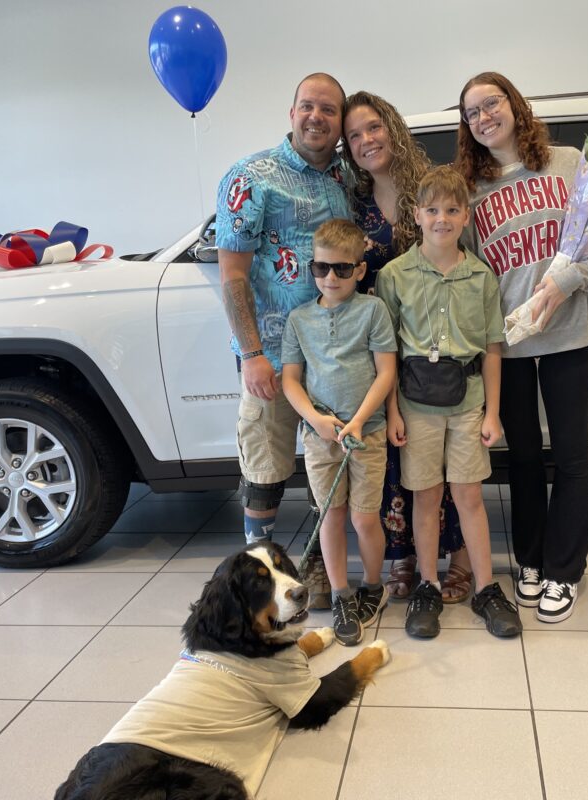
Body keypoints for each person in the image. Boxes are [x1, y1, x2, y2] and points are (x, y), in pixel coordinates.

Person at [455, 72, 588, 623]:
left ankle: (563, 571)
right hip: (508, 350)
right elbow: (472, 272)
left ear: (514, 104)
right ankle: (529, 560)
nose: (484, 117)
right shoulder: (471, 191)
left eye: (491, 103)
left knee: (571, 458)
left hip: (570, 339)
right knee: (523, 459)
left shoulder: (568, 163)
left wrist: (566, 282)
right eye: (472, 112)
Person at [215, 73, 349, 607]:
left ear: (340, 121)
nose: (317, 117)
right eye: (308, 106)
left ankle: (317, 559)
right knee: (265, 465)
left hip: (333, 355)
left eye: (329, 110)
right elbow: (232, 274)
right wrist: (251, 353)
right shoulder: (252, 177)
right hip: (270, 354)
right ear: (292, 112)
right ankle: (261, 566)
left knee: (326, 461)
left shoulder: (346, 178)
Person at [375, 165, 521, 640]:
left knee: (469, 495)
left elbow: (493, 348)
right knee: (426, 496)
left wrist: (493, 412)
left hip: (468, 403)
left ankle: (486, 587)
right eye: (433, 210)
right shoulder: (394, 276)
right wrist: (392, 411)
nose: (442, 218)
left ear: (466, 216)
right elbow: (387, 353)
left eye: (452, 210)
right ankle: (428, 585)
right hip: (415, 405)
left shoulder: (481, 277)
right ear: (417, 215)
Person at [340, 91, 472, 605]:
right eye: (354, 135)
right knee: (393, 453)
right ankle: (404, 557)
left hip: (436, 348)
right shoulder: (352, 205)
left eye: (373, 127)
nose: (366, 140)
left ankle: (458, 555)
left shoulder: (433, 187)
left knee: (445, 454)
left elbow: (465, 259)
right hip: (378, 349)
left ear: (392, 126)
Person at [281, 219, 397, 646]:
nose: (331, 277)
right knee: (330, 515)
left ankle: (372, 586)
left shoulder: (373, 311)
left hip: (367, 433)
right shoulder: (299, 319)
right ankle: (342, 594)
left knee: (364, 517)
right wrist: (315, 419)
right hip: (320, 436)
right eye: (322, 268)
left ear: (360, 270)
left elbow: (386, 373)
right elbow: (290, 380)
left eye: (342, 269)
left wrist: (359, 420)